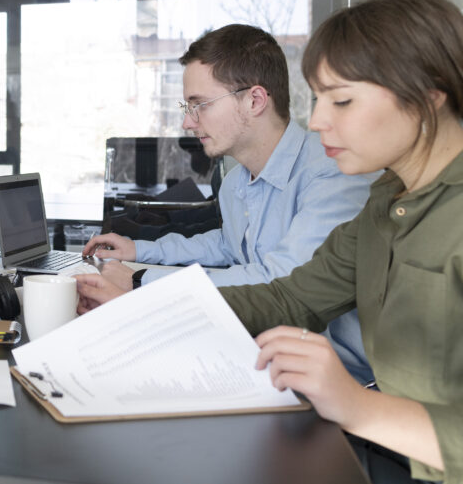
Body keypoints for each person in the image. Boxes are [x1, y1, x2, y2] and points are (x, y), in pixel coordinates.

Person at [81, 0, 463, 483]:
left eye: (341, 99)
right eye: (319, 99)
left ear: (428, 93)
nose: (319, 120)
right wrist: (146, 306)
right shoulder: (385, 202)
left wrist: (355, 406)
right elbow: (289, 296)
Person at [77, 23, 376, 382]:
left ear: (254, 100)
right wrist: (138, 250)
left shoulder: (332, 173)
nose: (188, 122)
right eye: (187, 107)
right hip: (265, 351)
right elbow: (227, 243)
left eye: (199, 105)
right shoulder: (236, 179)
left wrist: (140, 281)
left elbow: (280, 282)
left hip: (336, 381)